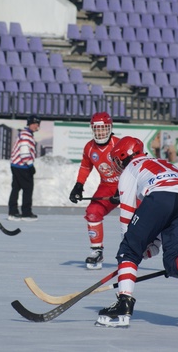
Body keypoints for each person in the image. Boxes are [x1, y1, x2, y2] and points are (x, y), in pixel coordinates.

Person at [95, 136, 178, 328]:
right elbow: (161, 221)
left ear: (123, 156)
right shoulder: (164, 163)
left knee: (128, 249)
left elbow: (127, 217)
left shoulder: (129, 171)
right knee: (175, 263)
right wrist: (152, 246)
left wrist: (133, 249)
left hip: (161, 196)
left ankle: (124, 303)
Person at [68, 112, 121, 270]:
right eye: (97, 129)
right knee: (93, 211)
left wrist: (122, 190)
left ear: (110, 128)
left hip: (128, 185)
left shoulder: (118, 144)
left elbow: (131, 168)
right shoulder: (89, 147)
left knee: (140, 217)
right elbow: (85, 166)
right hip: (106, 186)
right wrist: (78, 185)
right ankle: (96, 251)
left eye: (104, 129)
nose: (100, 133)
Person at [8, 115, 40, 222]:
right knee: (28, 188)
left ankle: (13, 212)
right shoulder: (26, 135)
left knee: (16, 188)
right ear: (29, 124)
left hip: (16, 165)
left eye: (37, 123)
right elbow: (25, 152)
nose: (36, 126)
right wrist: (30, 165)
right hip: (22, 166)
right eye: (34, 123)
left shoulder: (25, 134)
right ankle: (26, 213)